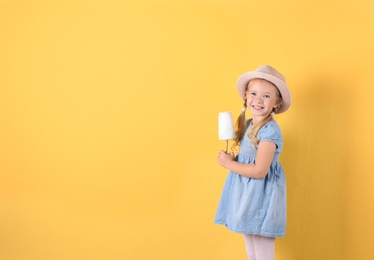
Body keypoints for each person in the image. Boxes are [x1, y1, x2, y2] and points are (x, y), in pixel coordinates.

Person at [215, 65, 291, 260]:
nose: (258, 100)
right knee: (252, 252)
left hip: (261, 198)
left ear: (276, 103)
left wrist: (229, 164)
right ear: (246, 97)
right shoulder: (249, 125)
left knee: (263, 254)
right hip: (245, 196)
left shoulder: (270, 131)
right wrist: (233, 157)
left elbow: (259, 170)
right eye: (254, 93)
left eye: (266, 96)